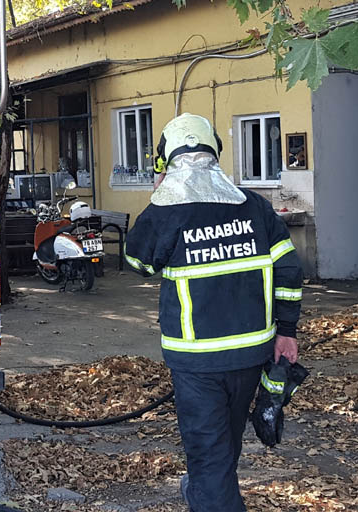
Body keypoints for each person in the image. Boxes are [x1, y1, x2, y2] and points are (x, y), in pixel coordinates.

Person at [126, 114, 303, 512]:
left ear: (165, 160)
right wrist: (287, 332)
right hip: (251, 354)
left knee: (209, 456)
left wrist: (158, 196)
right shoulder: (254, 206)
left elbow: (137, 261)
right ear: (216, 153)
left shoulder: (166, 213)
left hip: (197, 359)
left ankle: (207, 496)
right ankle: (202, 493)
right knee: (225, 447)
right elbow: (289, 270)